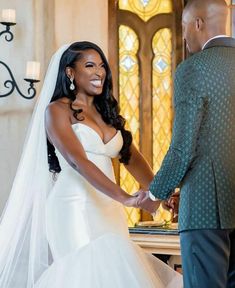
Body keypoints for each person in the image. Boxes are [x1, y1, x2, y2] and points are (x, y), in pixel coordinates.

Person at [0, 41, 182, 288]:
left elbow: (131, 157)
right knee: (85, 274)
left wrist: (163, 193)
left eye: (101, 66)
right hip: (72, 206)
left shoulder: (106, 111)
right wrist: (126, 198)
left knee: (116, 273)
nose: (99, 72)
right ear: (70, 72)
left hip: (108, 207)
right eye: (89, 65)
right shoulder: (56, 111)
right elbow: (77, 161)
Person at [136, 0, 235, 287]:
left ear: (198, 24)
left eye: (182, 28)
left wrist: (155, 194)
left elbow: (183, 148)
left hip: (206, 208)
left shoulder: (194, 69)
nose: (183, 37)